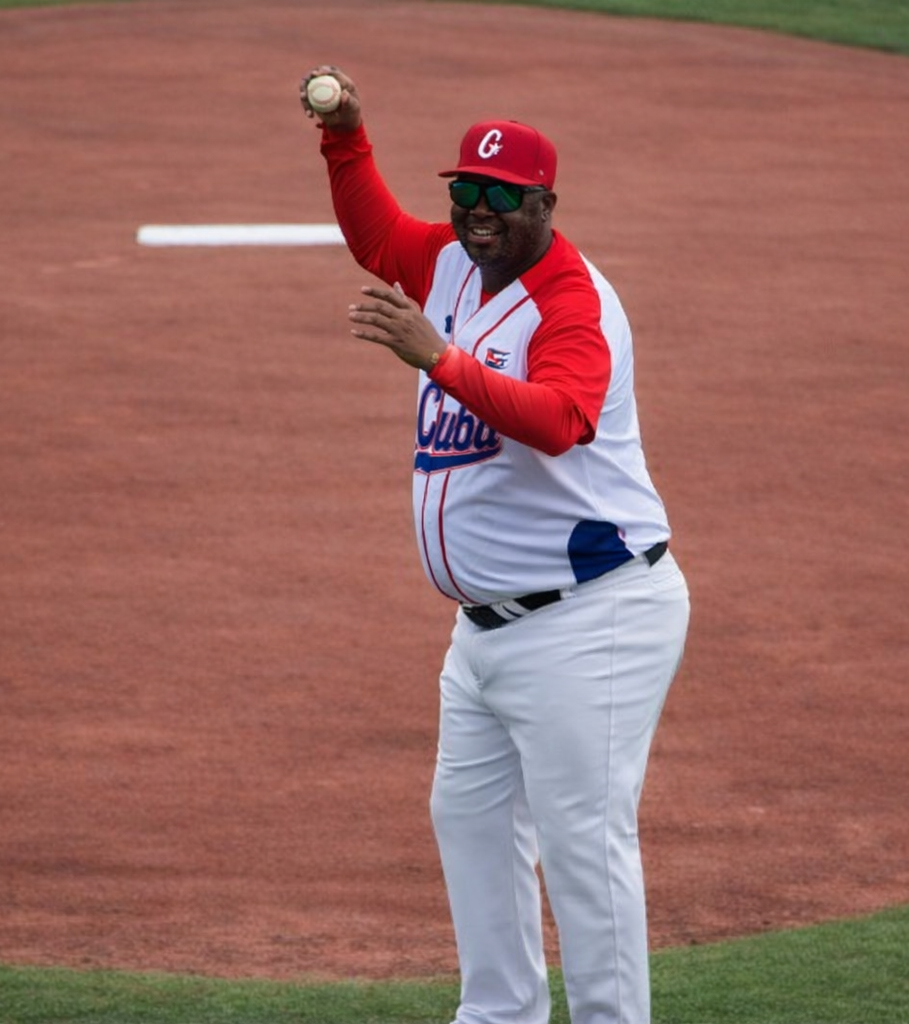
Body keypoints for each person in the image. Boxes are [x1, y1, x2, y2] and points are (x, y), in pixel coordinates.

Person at [300, 66, 690, 1024]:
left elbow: (560, 419)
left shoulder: (575, 303)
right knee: (470, 824)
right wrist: (346, 136)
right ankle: (501, 1015)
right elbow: (378, 237)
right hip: (486, 633)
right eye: (464, 193)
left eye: (500, 198)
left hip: (592, 615)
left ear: (544, 203)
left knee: (584, 846)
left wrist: (439, 358)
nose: (477, 212)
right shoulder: (451, 267)